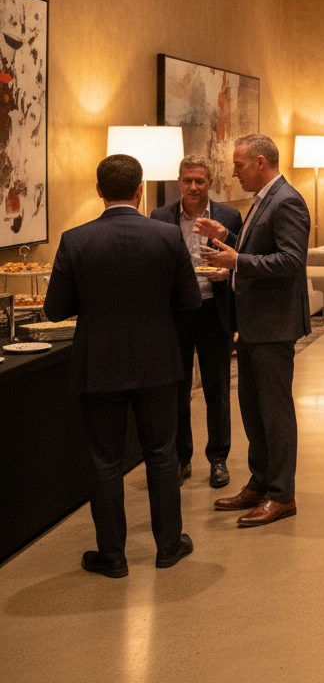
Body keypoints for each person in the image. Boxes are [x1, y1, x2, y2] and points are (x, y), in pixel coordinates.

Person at [44, 154, 201, 577]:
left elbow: (54, 309)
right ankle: (169, 545)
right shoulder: (168, 237)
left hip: (99, 364)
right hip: (158, 362)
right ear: (139, 190)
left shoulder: (75, 240)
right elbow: (189, 300)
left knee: (104, 461)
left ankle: (112, 556)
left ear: (99, 191)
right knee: (162, 455)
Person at [194, 133, 310, 526]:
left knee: (275, 412)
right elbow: (262, 246)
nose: (234, 172)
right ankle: (260, 482)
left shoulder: (288, 200)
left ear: (261, 162)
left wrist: (236, 260)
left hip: (274, 324)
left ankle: (282, 494)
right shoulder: (264, 200)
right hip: (253, 323)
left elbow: (290, 260)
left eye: (239, 164)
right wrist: (227, 237)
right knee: (253, 409)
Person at [151, 153, 243, 489]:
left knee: (217, 388)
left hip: (213, 311)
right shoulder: (160, 217)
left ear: (209, 183)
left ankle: (218, 459)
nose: (193, 186)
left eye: (199, 181)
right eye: (187, 180)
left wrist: (227, 269)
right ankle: (180, 458)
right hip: (176, 313)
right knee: (176, 388)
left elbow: (241, 256)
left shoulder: (228, 216)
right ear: (179, 182)